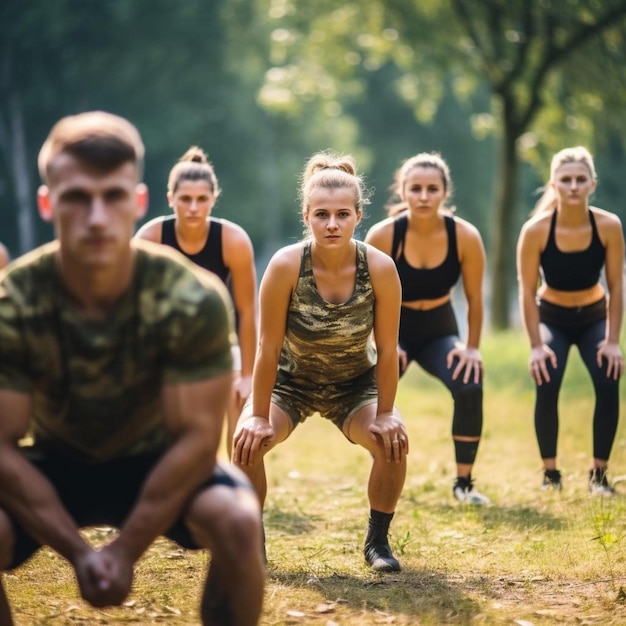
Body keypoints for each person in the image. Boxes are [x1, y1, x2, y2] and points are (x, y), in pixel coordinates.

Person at [0, 111, 265, 626]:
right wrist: (80, 553)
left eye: (113, 196)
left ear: (137, 201)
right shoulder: (13, 301)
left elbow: (196, 440)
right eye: (77, 197)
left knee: (237, 518)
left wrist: (124, 551)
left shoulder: (192, 298)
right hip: (55, 464)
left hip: (158, 459)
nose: (97, 217)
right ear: (48, 202)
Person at [232, 150, 408, 572]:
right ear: (306, 216)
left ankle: (377, 543)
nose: (333, 224)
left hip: (354, 385)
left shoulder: (379, 267)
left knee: (394, 443)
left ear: (358, 216)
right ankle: (251, 542)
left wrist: (385, 413)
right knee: (244, 444)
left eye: (343, 214)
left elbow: (387, 349)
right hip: (290, 383)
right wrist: (256, 416)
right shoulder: (286, 265)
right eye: (322, 214)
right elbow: (267, 349)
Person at [365, 152, 490, 505]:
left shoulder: (464, 236)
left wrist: (472, 348)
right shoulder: (384, 235)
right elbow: (365, 299)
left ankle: (464, 484)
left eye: (432, 189)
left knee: (470, 384)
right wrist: (382, 342)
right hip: (395, 329)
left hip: (439, 330)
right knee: (372, 397)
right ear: (402, 191)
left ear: (444, 193)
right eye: (415, 188)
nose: (423, 196)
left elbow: (475, 299)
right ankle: (382, 476)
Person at [135, 147, 257, 455]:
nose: (193, 207)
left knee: (237, 396)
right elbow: (135, 309)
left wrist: (248, 376)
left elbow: (247, 311)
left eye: (202, 199)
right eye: (185, 199)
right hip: (167, 342)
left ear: (213, 199)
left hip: (220, 341)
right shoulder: (151, 238)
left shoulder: (233, 241)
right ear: (170, 199)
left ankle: (237, 486)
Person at [516, 146, 624, 496]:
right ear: (553, 184)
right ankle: (551, 474)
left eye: (580, 180)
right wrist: (535, 346)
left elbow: (617, 285)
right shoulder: (535, 230)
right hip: (553, 317)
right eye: (566, 180)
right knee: (547, 377)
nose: (573, 186)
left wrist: (612, 341)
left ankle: (599, 474)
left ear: (592, 184)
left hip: (594, 315)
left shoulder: (608, 226)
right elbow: (527, 291)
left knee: (609, 378)